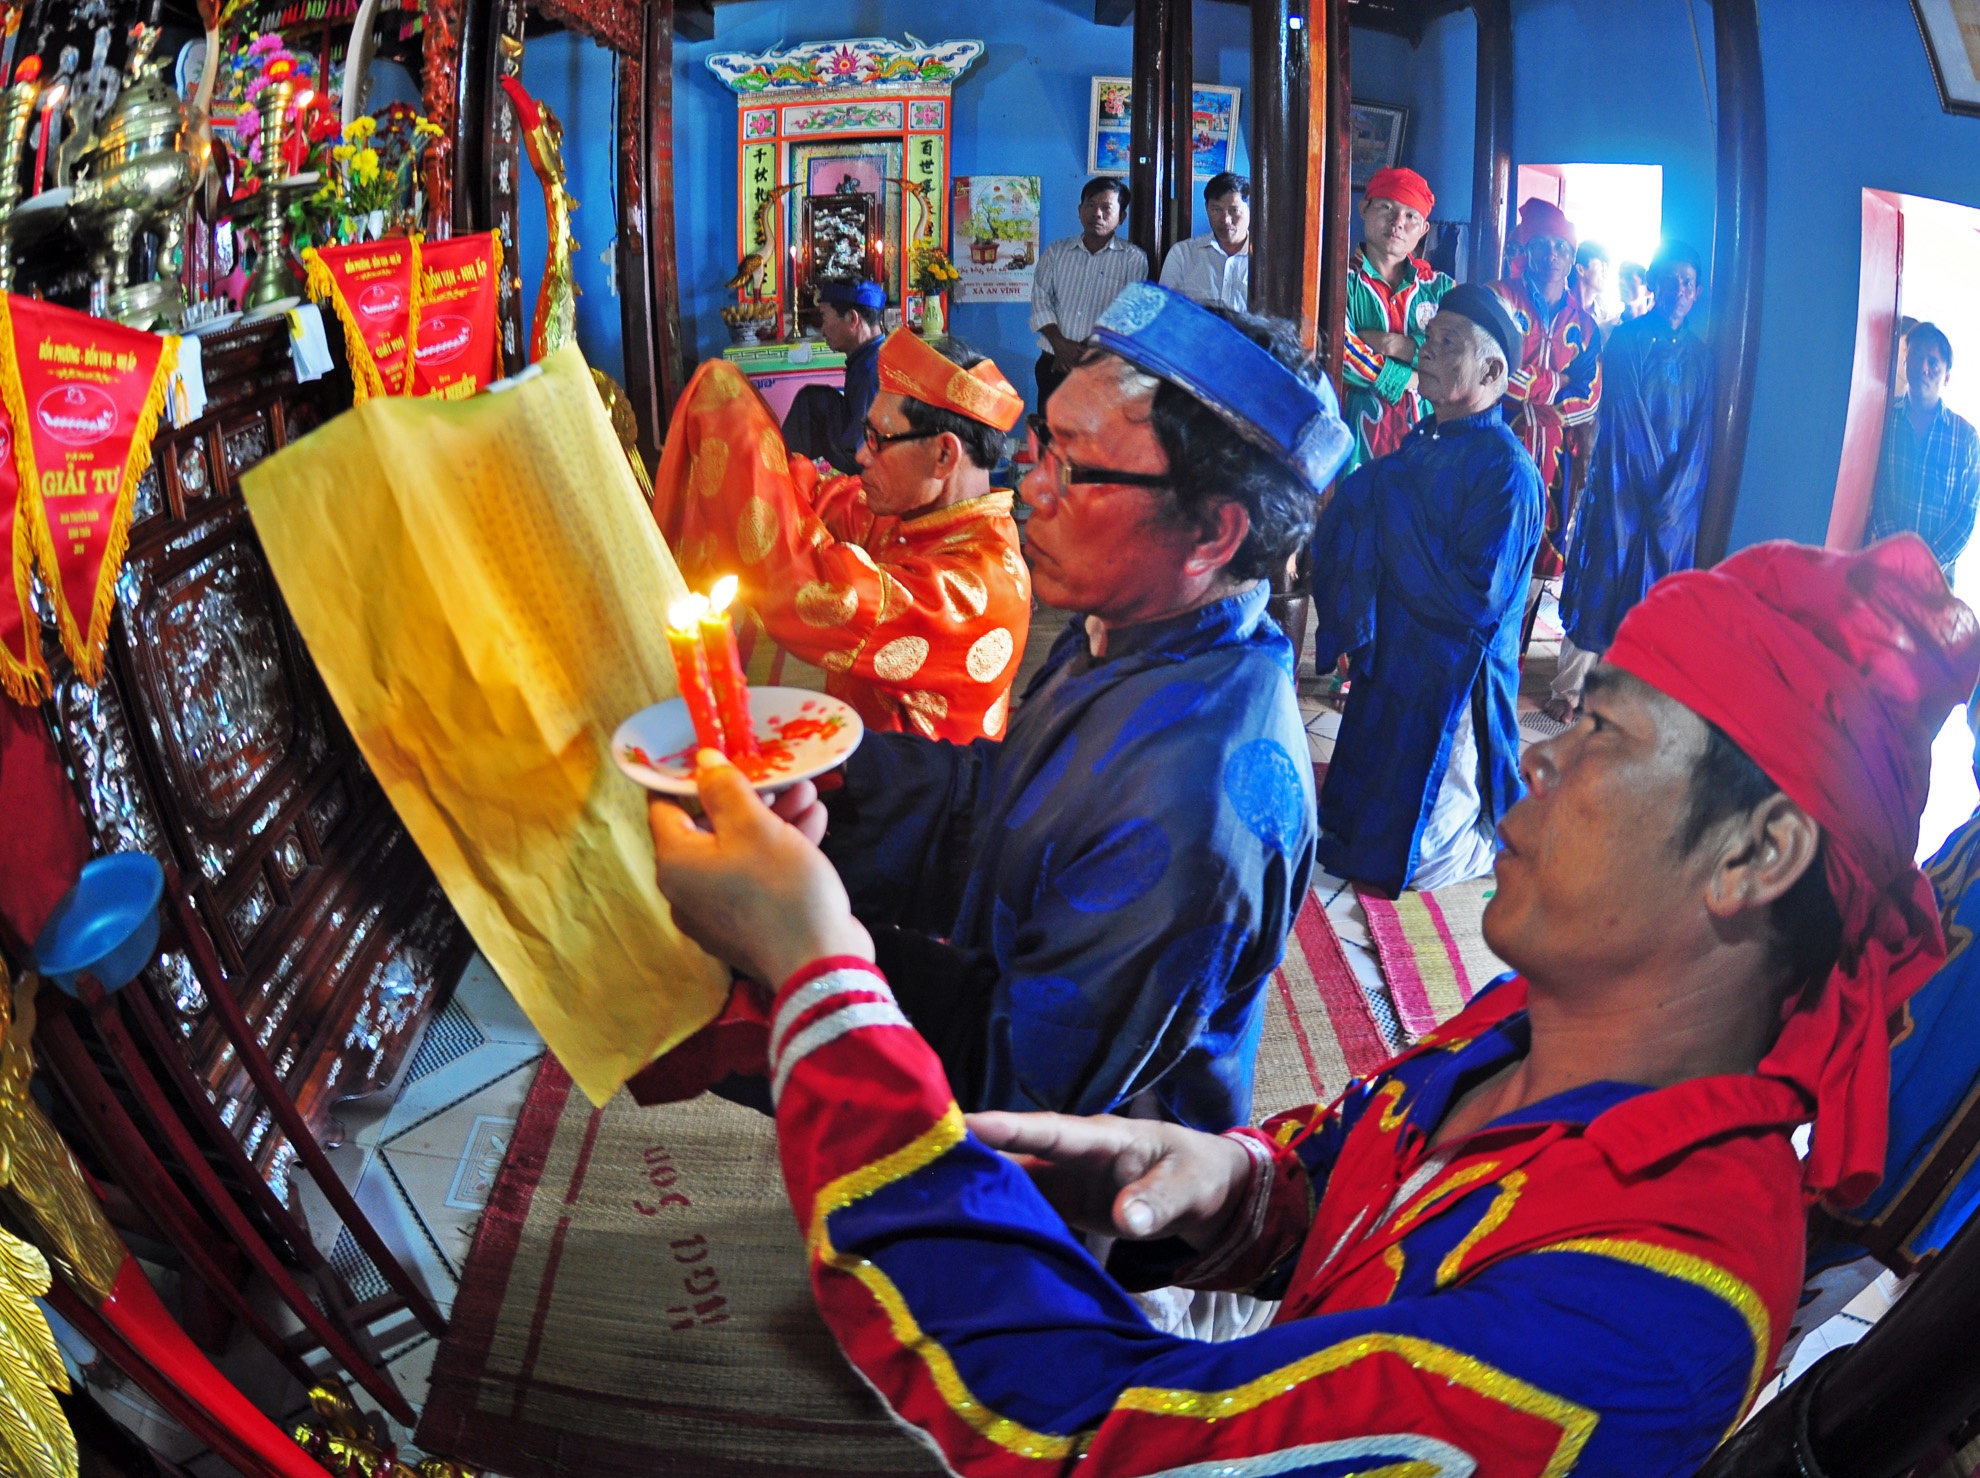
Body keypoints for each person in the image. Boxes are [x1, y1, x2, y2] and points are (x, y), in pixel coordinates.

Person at [646, 533, 1980, 1478]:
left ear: (1757, 851)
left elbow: (1104, 1434)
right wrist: (1231, 1184)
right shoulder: (1516, 1029)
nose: (1538, 757)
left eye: (1605, 732)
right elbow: (1356, 1168)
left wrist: (817, 970)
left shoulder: (1646, 1312)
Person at [641, 284, 1352, 1135]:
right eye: (1042, 446)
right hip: (1003, 992)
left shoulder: (1197, 801)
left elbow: (1022, 1093)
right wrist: (825, 775)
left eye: (1074, 468)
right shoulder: (1127, 629)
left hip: (1064, 1176)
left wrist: (797, 956)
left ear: (1211, 534)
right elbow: (1002, 797)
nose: (1030, 491)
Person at [651, 330, 1030, 744]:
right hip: (863, 759)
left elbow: (811, 592)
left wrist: (726, 406)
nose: (862, 454)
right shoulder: (917, 516)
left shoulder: (977, 590)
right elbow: (812, 496)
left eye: (878, 440)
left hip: (909, 785)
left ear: (943, 455)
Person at [1310, 284, 1544, 895]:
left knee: (1419, 862)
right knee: (1348, 829)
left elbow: (1476, 601)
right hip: (1397, 655)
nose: (1426, 351)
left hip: (1456, 678)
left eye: (1448, 343)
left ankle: (1499, 838)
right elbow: (1372, 513)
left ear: (1492, 372)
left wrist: (1389, 503)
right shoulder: (1425, 441)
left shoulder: (1507, 471)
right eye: (1429, 338)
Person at [1548, 243, 1714, 723]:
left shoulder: (1702, 357)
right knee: (1600, 582)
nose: (1679, 289)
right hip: (1621, 486)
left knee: (1655, 600)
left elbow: (1702, 434)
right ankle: (1569, 690)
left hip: (1673, 503)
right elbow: (1626, 417)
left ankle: (1625, 699)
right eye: (1670, 279)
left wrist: (1675, 497)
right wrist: (1649, 486)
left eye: (1687, 282)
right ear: (1655, 284)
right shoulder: (1626, 340)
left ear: (1697, 291)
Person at [1493, 198, 1603, 582]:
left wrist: (1531, 393)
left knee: (1543, 559)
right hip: (1497, 441)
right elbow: (1490, 373)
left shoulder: (1585, 326)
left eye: (1561, 247)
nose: (1552, 255)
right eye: (1541, 245)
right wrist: (1559, 382)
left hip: (1556, 457)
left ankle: (1525, 625)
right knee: (1490, 546)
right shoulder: (1499, 299)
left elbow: (1589, 399)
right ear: (1527, 250)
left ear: (1572, 258)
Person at [1340, 165, 1455, 474]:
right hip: (1353, 437)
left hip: (1427, 441)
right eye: (1386, 208)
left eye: (1410, 216)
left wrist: (1397, 346)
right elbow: (1340, 352)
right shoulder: (1338, 282)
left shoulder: (1441, 289)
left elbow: (1456, 359)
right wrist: (1413, 378)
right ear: (1364, 208)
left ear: (1424, 229)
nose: (1397, 223)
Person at [1865, 321, 1980, 580]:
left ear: (1946, 377)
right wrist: (1897, 557)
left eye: (1933, 362)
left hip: (1935, 578)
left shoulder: (1966, 437)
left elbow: (1966, 516)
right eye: (1916, 355)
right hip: (1885, 566)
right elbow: (1878, 489)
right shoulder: (1885, 417)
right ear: (1905, 361)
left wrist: (1924, 566)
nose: (1923, 368)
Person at [1028, 177, 1148, 406]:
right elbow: (1040, 300)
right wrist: (1060, 345)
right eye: (1090, 205)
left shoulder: (1133, 259)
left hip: (1103, 369)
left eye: (1106, 208)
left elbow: (1128, 313)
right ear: (1079, 210)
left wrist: (1086, 350)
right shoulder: (1056, 252)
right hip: (1054, 363)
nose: (1097, 213)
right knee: (1049, 427)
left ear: (1122, 217)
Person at [779, 280, 886, 474]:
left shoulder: (873, 369)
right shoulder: (870, 354)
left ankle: (783, 475)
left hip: (870, 464)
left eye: (825, 317)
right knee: (814, 400)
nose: (823, 329)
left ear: (852, 319)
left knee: (810, 403)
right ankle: (788, 471)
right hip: (860, 445)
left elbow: (864, 447)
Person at [1159, 172, 1251, 313]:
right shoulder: (1182, 254)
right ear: (1207, 208)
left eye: (1234, 210)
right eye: (1216, 210)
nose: (1225, 220)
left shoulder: (1267, 261)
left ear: (1251, 210)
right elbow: (1165, 310)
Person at [1573, 240, 1617, 331]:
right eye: (1601, 266)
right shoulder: (1558, 307)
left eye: (1606, 268)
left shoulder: (1606, 318)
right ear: (1581, 269)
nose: (1605, 274)